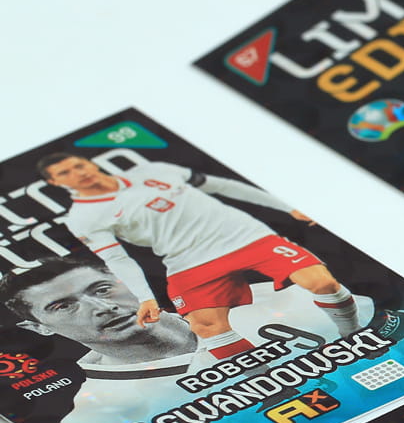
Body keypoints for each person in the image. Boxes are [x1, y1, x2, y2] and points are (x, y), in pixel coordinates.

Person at [1, 255, 373, 423]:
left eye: (102, 289)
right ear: (38, 327)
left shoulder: (278, 300)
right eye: (62, 306)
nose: (102, 307)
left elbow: (402, 338)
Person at [39, 152, 363, 363]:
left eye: (79, 165)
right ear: (56, 182)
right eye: (65, 172)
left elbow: (221, 186)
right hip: (187, 259)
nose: (77, 173)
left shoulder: (153, 170)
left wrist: (287, 208)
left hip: (247, 237)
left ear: (90, 163)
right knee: (206, 326)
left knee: (321, 283)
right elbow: (117, 259)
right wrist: (146, 298)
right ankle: (269, 382)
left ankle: (351, 335)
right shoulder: (82, 217)